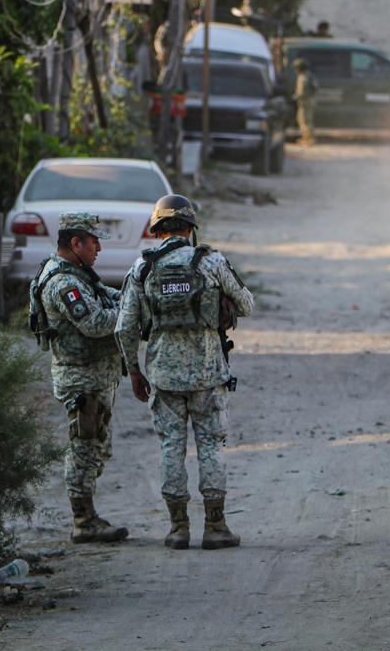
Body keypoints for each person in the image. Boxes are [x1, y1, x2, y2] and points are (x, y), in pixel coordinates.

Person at [116, 194, 254, 550]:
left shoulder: (142, 268)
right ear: (191, 228)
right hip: (208, 372)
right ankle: (215, 526)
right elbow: (247, 305)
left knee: (170, 447)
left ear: (157, 229)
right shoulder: (210, 261)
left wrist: (133, 370)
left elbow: (124, 327)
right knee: (210, 445)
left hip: (162, 375)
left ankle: (178, 529)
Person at [28, 212, 129, 544]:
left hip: (94, 376)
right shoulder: (64, 283)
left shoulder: (79, 274)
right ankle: (83, 520)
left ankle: (89, 515)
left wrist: (135, 300)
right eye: (93, 241)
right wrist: (133, 317)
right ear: (76, 243)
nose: (99, 247)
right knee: (84, 447)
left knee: (97, 445)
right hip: (80, 378)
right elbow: (95, 323)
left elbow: (108, 296)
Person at [293, 57, 318, 145]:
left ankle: (308, 139)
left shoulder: (302, 77)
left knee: (304, 120)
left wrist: (294, 97)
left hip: (304, 102)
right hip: (310, 101)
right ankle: (307, 138)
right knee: (307, 120)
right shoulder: (309, 75)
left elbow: (301, 92)